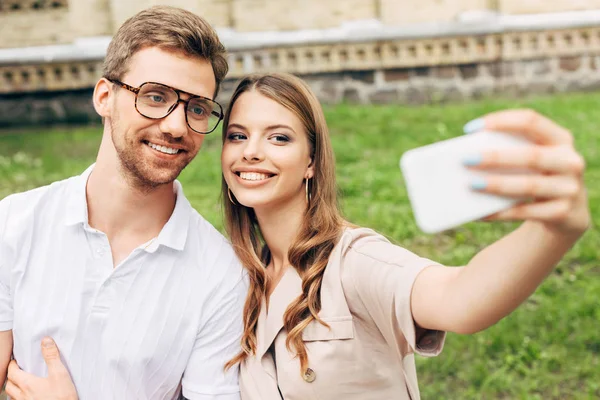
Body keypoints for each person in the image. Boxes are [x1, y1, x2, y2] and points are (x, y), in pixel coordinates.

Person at [8, 72, 590, 399]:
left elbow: (461, 300)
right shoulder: (237, 280)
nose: (252, 152)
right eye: (237, 135)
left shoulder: (352, 262)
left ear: (312, 162)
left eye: (279, 138)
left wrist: (555, 227)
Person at [0, 6, 248, 400]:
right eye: (155, 96)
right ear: (104, 96)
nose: (176, 126)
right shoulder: (13, 224)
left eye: (197, 107)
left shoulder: (222, 276)